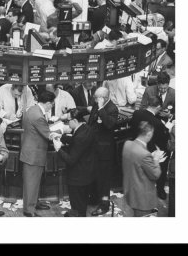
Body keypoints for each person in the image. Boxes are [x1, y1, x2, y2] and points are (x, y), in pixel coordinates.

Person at [52, 108, 98, 217]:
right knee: (81, 201)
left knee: (77, 202)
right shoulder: (85, 128)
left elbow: (71, 160)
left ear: (75, 121)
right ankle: (75, 212)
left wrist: (58, 149)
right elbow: (75, 140)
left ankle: (77, 215)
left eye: (68, 120)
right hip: (87, 171)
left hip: (78, 176)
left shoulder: (80, 136)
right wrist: (62, 137)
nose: (67, 123)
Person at [20, 91, 57, 217]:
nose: (51, 106)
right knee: (31, 183)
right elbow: (48, 134)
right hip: (34, 154)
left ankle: (34, 202)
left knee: (34, 182)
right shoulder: (38, 116)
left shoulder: (31, 110)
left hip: (30, 150)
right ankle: (29, 210)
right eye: (51, 104)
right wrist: (62, 129)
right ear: (47, 103)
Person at [129, 96, 170, 200]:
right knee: (166, 156)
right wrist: (167, 128)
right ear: (158, 107)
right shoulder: (157, 123)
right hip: (150, 151)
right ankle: (160, 190)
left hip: (136, 147)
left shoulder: (136, 113)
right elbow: (163, 140)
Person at [122, 121, 164, 217]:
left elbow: (137, 163)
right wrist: (156, 159)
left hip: (130, 191)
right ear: (149, 134)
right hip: (142, 198)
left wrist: (150, 159)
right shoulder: (144, 154)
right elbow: (155, 174)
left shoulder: (127, 144)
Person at [88, 87, 119, 216]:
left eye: (97, 98)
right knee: (95, 176)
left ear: (104, 98)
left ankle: (104, 205)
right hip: (94, 148)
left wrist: (101, 109)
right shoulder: (97, 105)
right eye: (95, 97)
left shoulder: (112, 109)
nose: (95, 100)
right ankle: (94, 199)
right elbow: (91, 122)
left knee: (104, 180)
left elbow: (109, 124)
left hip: (105, 151)